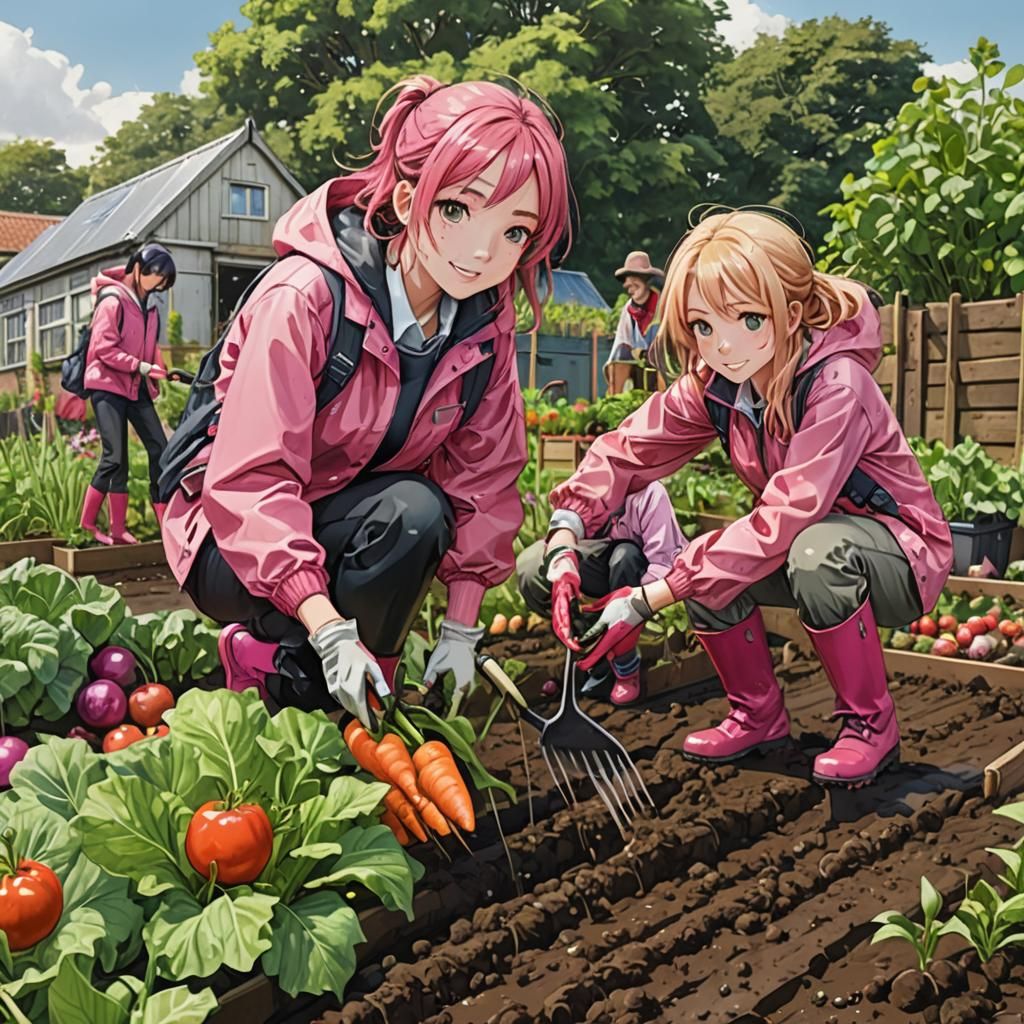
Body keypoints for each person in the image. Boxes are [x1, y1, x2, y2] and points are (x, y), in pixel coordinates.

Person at [160, 76, 572, 729]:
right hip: (229, 541)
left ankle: (356, 696)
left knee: (419, 514)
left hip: (345, 518)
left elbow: (485, 480)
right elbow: (250, 483)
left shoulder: (482, 331)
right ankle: (285, 658)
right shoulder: (304, 298)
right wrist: (327, 629)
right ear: (409, 199)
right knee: (407, 515)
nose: (483, 251)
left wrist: (462, 629)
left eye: (515, 230)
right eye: (458, 211)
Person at [541, 210, 953, 788]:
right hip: (806, 541)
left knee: (805, 552)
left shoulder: (837, 385)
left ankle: (870, 725)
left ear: (789, 314)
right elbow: (627, 448)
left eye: (748, 319)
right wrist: (566, 532)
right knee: (712, 560)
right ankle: (757, 715)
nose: (724, 345)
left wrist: (646, 598)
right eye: (704, 326)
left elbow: (791, 512)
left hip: (900, 553)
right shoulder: (721, 385)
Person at [517, 481, 685, 705]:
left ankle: (624, 665)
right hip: (597, 559)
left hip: (634, 572)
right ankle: (583, 648)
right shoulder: (588, 481)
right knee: (531, 564)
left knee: (625, 556)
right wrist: (563, 564)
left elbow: (662, 561)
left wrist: (636, 602)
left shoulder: (650, 494)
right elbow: (565, 526)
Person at [79, 243, 175, 545]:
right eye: (156, 276)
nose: (159, 284)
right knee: (114, 457)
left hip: (135, 385)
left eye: (164, 281)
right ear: (137, 269)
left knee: (161, 449)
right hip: (107, 385)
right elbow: (103, 348)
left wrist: (155, 370)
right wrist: (141, 366)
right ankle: (92, 524)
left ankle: (164, 524)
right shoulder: (112, 301)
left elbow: (150, 347)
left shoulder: (151, 309)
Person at [605, 250, 663, 395]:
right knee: (620, 356)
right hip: (637, 369)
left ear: (646, 281)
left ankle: (665, 403)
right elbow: (621, 343)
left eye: (635, 283)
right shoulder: (628, 310)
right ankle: (615, 399)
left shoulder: (663, 305)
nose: (630, 287)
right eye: (628, 284)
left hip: (662, 370)